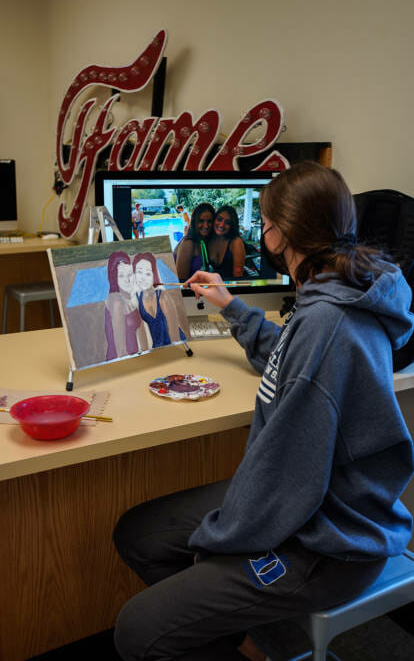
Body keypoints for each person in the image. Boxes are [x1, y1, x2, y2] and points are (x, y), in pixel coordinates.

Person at [112, 161, 414, 661]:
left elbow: (286, 477)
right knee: (139, 533)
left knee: (136, 631)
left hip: (329, 544)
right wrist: (232, 307)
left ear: (277, 236)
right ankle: (235, 640)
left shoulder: (326, 322)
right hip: (324, 504)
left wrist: (218, 543)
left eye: (266, 224)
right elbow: (293, 361)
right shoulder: (344, 292)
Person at [133, 252, 186, 347]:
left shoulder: (162, 296)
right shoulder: (137, 298)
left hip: (176, 345)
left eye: (148, 273)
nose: (143, 278)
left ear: (154, 275)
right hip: (157, 348)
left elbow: (174, 331)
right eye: (139, 272)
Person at [104, 251, 150, 360]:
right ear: (114, 277)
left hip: (134, 359)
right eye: (121, 276)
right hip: (121, 364)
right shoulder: (116, 302)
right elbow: (120, 350)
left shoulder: (128, 297)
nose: (128, 280)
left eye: (129, 274)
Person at [175, 202, 215, 281]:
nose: (206, 225)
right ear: (194, 222)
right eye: (201, 221)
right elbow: (181, 283)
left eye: (209, 221)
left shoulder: (203, 240)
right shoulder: (189, 243)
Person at [208, 205, 246, 279]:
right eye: (219, 219)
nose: (222, 225)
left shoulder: (235, 242)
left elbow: (238, 273)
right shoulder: (208, 239)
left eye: (227, 223)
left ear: (232, 225)